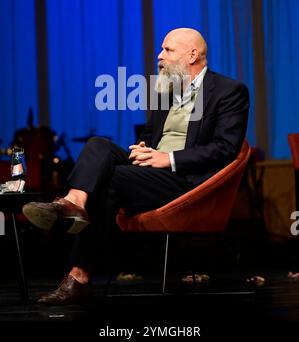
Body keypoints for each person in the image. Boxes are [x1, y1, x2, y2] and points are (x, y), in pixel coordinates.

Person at [23, 27, 249, 305]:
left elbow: (225, 149)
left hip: (187, 180)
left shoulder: (229, 91)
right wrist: (143, 149)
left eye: (168, 50)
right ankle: (74, 201)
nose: (159, 56)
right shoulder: (168, 93)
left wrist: (169, 159)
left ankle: (78, 276)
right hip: (151, 173)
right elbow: (150, 135)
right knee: (98, 144)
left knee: (110, 181)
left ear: (192, 55)